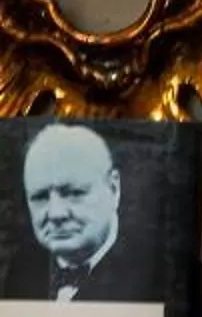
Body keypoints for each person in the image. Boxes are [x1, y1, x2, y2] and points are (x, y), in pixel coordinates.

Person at [15, 123, 161, 304]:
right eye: (40, 197)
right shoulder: (19, 273)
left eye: (74, 193)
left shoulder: (156, 272)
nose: (55, 213)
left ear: (114, 189)